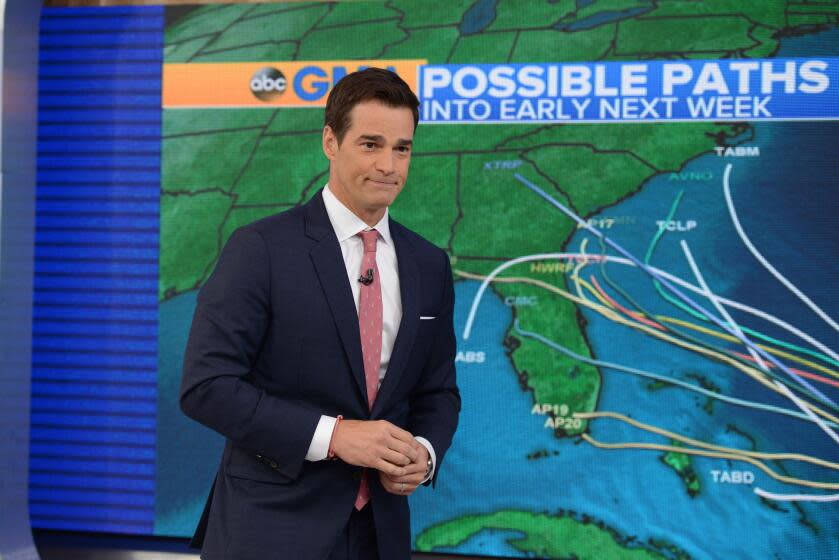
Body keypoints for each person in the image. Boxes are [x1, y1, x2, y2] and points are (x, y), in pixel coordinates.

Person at [179, 67, 461, 560]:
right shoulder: (261, 249)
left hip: (381, 536)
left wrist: (424, 454)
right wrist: (336, 436)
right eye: (370, 144)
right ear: (330, 141)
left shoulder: (428, 265)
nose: (389, 165)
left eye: (402, 148)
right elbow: (206, 386)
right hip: (270, 531)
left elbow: (437, 391)